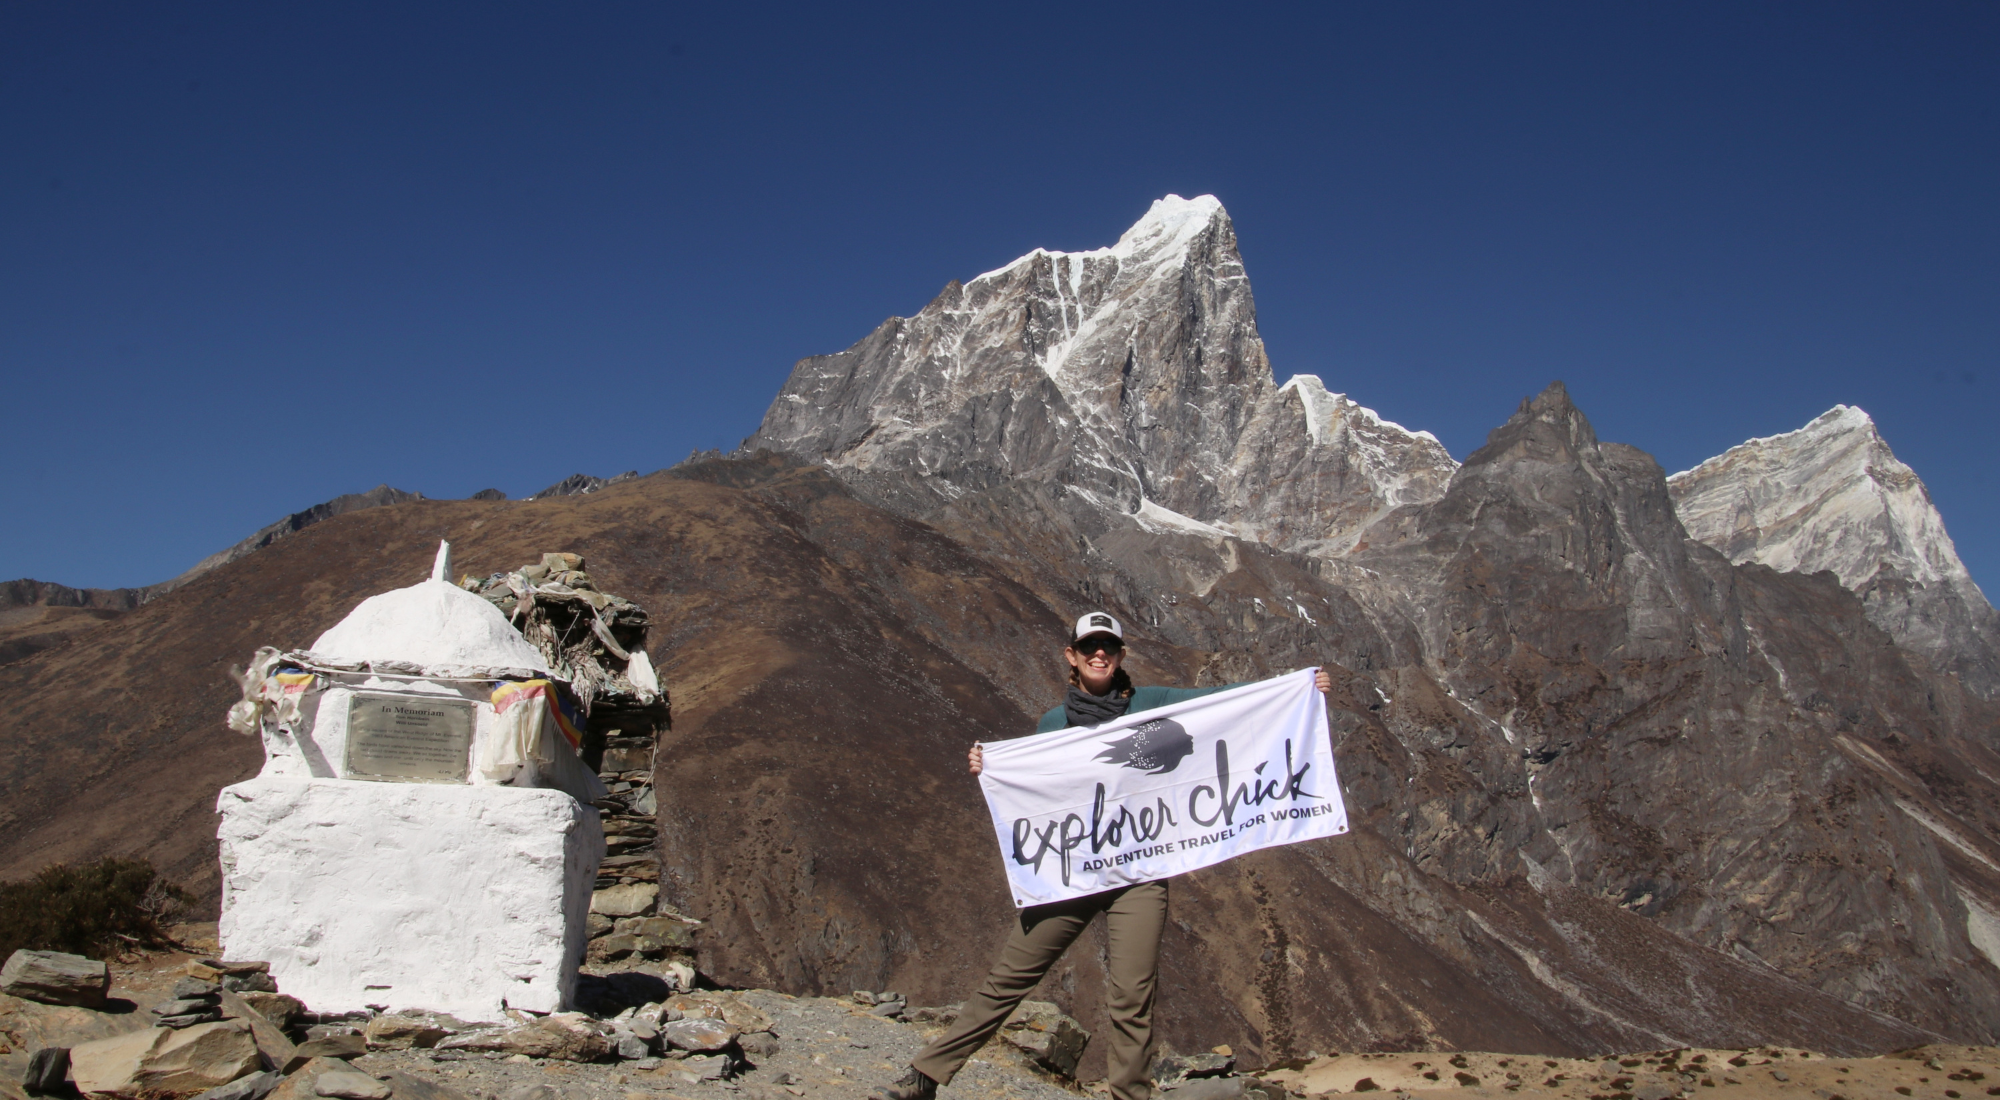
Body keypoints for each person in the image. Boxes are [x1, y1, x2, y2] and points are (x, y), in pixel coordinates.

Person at [873, 611, 1335, 1100]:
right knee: (1010, 977)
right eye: (1090, 646)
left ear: (1120, 656)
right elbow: (1037, 793)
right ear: (1071, 656)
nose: (1100, 654)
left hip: (1140, 872)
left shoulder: (1153, 704)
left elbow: (1218, 704)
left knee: (1133, 996)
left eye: (1109, 647)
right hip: (1071, 873)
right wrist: (989, 767)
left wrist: (1294, 688)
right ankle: (925, 1077)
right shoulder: (1053, 724)